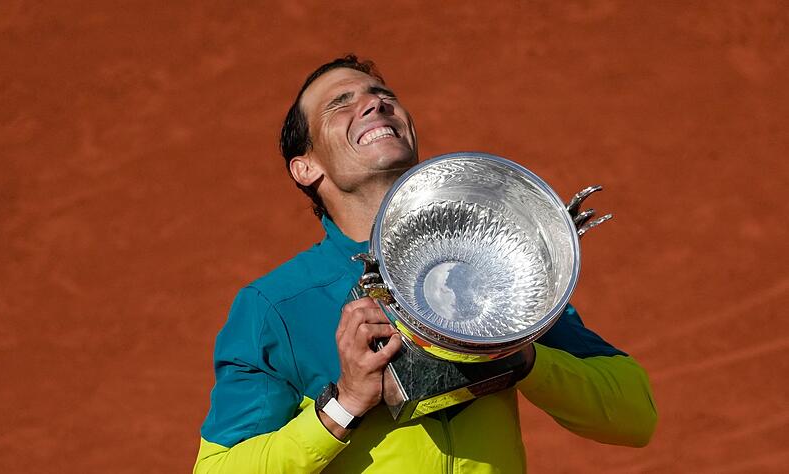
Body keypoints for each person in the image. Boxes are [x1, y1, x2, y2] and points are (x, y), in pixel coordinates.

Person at [194, 55, 657, 473]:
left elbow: (635, 416)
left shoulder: (486, 268)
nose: (375, 104)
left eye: (383, 95)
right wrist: (346, 403)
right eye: (341, 103)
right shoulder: (277, 306)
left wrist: (518, 354)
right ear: (306, 167)